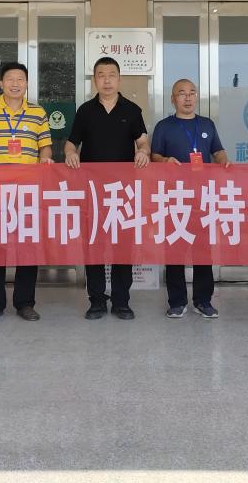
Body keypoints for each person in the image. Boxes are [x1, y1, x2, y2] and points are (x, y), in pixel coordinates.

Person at [64, 56, 151, 320]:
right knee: (94, 245)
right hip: (92, 192)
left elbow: (143, 142)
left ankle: (122, 301)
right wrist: (70, 153)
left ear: (119, 79)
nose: (107, 80)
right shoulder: (85, 111)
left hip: (124, 193)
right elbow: (71, 143)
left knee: (123, 245)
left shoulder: (132, 110)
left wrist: (143, 152)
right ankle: (97, 301)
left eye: (111, 75)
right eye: (101, 75)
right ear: (94, 80)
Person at [0, 62, 52, 322]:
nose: (15, 84)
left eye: (20, 79)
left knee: (27, 245)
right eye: (10, 79)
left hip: (28, 190)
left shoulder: (38, 112)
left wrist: (46, 158)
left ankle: (25, 303)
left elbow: (45, 146)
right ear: (1, 83)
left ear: (26, 84)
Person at [150, 78, 230, 319]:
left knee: (203, 250)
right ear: (173, 99)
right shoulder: (164, 126)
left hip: (203, 197)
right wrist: (165, 161)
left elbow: (218, 151)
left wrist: (224, 160)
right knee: (175, 249)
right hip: (174, 197)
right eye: (182, 93)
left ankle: (203, 301)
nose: (188, 97)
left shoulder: (207, 124)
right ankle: (177, 302)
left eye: (192, 93)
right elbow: (154, 156)